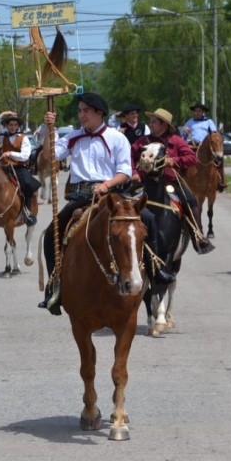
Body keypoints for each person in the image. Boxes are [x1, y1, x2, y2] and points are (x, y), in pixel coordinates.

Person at [39, 92, 131, 315]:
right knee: (52, 234)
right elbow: (48, 159)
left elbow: (125, 171)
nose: (82, 115)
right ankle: (55, 288)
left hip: (109, 195)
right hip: (80, 197)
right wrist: (48, 131)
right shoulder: (72, 137)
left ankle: (152, 274)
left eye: (86, 111)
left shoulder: (117, 138)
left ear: (100, 113)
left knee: (143, 222)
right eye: (80, 111)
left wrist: (106, 185)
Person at [131, 108, 215, 268]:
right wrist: (134, 172)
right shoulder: (142, 142)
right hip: (144, 182)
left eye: (154, 121)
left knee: (191, 201)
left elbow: (191, 157)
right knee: (122, 201)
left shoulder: (175, 141)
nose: (151, 124)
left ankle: (198, 236)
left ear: (164, 125)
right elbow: (130, 156)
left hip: (169, 182)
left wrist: (173, 161)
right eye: (151, 121)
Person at [0, 110, 40, 225]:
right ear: (7, 125)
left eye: (15, 125)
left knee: (28, 185)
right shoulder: (2, 136)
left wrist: (10, 153)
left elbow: (25, 155)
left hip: (19, 167)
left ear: (18, 126)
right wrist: (3, 114)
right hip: (4, 167)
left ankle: (27, 213)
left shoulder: (23, 138)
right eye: (10, 125)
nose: (13, 127)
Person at [181, 102, 226, 191]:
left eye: (200, 111)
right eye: (196, 111)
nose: (198, 113)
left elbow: (214, 134)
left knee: (219, 160)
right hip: (192, 145)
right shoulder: (190, 122)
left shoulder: (209, 122)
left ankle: (220, 181)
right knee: (184, 159)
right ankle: (181, 179)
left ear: (203, 112)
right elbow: (182, 133)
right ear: (194, 112)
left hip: (205, 147)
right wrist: (184, 130)